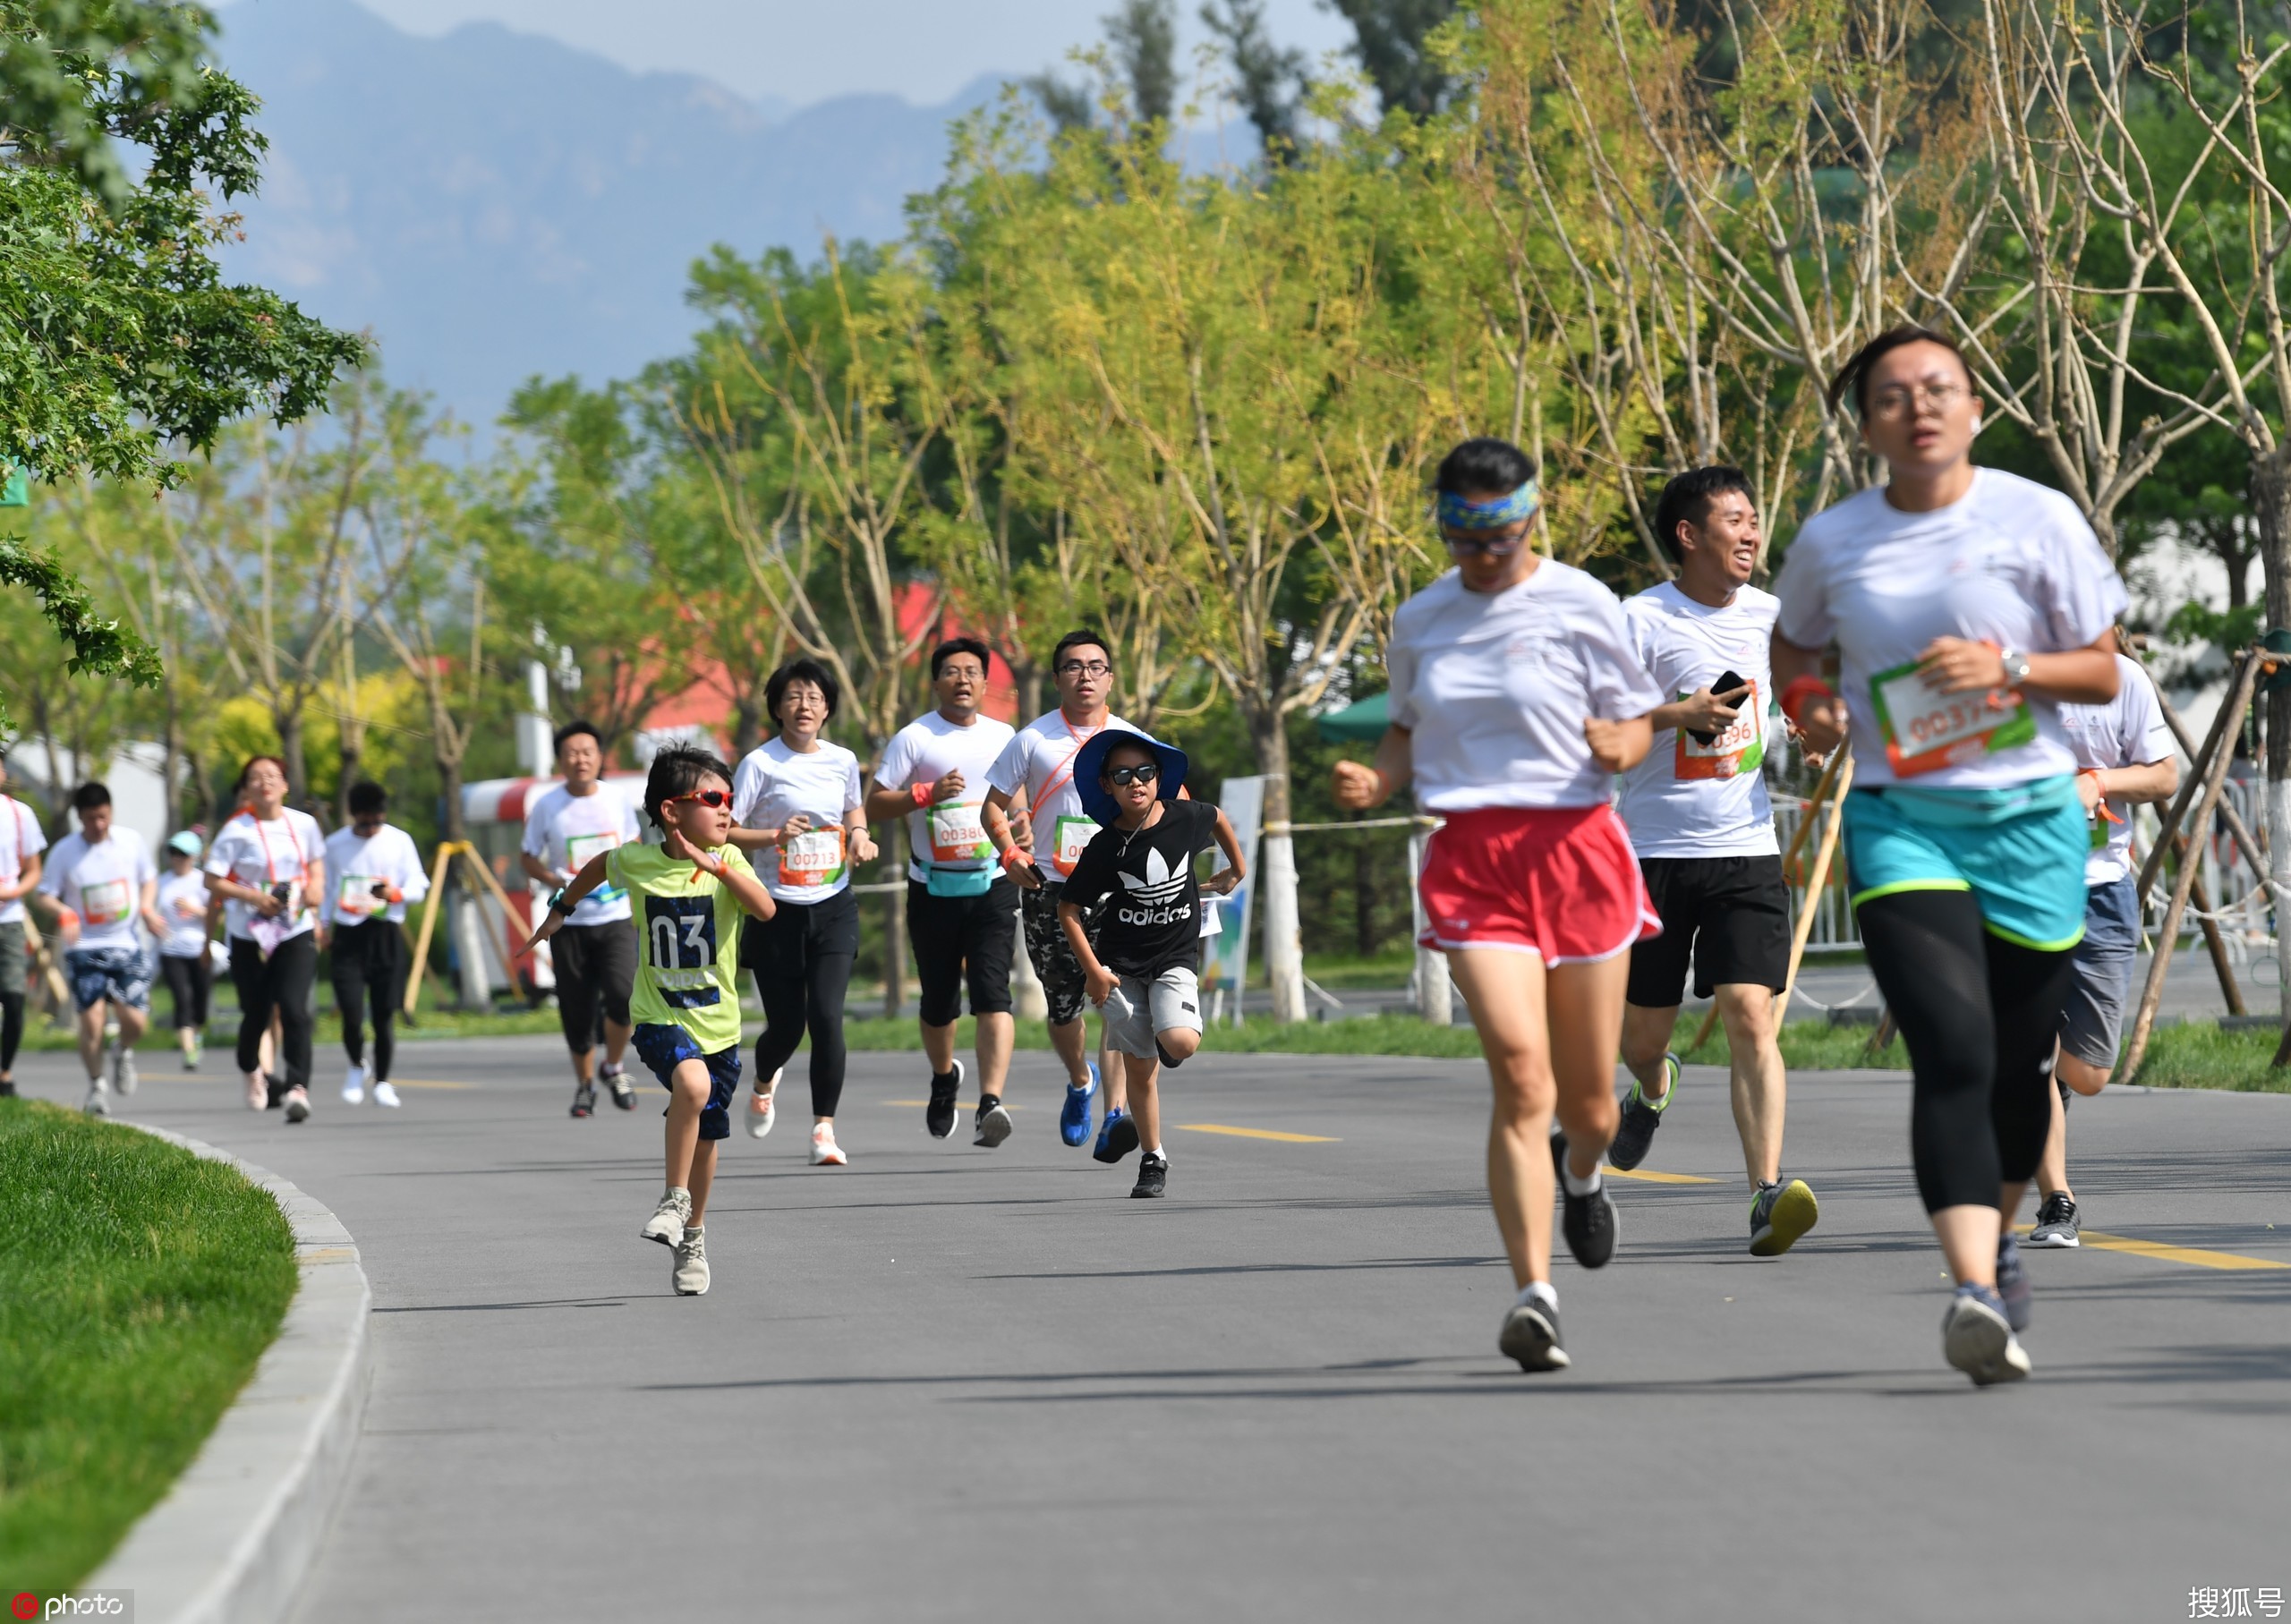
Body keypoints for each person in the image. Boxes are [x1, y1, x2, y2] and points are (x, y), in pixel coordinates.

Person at [1773, 324, 2127, 1386]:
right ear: (1868, 425)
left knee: (2019, 1076)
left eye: (1940, 388)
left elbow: (2103, 675)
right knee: (1953, 1055)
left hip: (2028, 823)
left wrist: (2006, 666)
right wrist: (1811, 705)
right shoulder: (1833, 541)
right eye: (1891, 395)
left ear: (1974, 407)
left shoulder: (2038, 517)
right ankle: (1973, 1290)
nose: (1918, 406)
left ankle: (2004, 1240)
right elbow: (1791, 650)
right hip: (1902, 819)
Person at [1333, 437, 1664, 1373]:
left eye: (1499, 533)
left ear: (1529, 517)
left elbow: (1635, 719)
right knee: (1522, 1073)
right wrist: (1377, 779)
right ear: (1441, 524)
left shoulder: (1581, 602)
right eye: (1461, 535)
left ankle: (1585, 1170)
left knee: (1590, 1103)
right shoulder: (1421, 617)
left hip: (1577, 848)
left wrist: (1622, 743)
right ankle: (1534, 1295)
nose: (1482, 556)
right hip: (1474, 855)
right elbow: (1404, 728)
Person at [1611, 466, 1818, 1256]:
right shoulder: (1640, 621)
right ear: (1690, 535)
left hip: (1746, 849)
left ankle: (1767, 1193)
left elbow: (1794, 703)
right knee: (1640, 1039)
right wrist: (1678, 713)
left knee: (1749, 1013)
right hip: (1654, 853)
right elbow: (1600, 724)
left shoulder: (1774, 616)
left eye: (1755, 516)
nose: (1751, 531)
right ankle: (1654, 1088)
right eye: (1733, 518)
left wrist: (1806, 725)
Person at [524, 744, 774, 1297]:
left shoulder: (728, 860)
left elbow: (765, 909)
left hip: (719, 1026)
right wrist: (561, 910)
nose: (726, 809)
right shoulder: (638, 860)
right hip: (658, 1015)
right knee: (691, 1081)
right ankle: (672, 1198)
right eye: (712, 798)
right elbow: (597, 868)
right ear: (671, 810)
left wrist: (716, 869)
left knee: (708, 1134)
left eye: (729, 799)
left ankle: (693, 1236)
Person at [2025, 652, 2179, 1248]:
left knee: (2087, 1074)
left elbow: (2165, 775)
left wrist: (2100, 781)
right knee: (2031, 1042)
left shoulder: (2124, 679)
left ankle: (2039, 1074)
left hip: (2103, 891)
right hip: (2020, 886)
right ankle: (2056, 1200)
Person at [1058, 733, 1246, 1199]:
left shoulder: (1185, 817)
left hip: (1174, 957)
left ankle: (1169, 1038)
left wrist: (1236, 868)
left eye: (1144, 772)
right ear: (1107, 785)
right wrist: (1095, 971)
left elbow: (1218, 817)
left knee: (1178, 1043)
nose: (1135, 782)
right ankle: (1152, 1157)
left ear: (1158, 778)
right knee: (1139, 1072)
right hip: (1121, 967)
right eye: (1122, 775)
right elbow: (1068, 909)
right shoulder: (1104, 846)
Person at [983, 630, 1146, 1161]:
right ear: (1057, 679)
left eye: (1096, 666)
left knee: (1117, 998)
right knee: (1063, 1007)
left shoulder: (1132, 740)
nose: (1085, 676)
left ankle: (1116, 1113)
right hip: (1052, 888)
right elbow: (992, 808)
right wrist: (1010, 856)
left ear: (1111, 678)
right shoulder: (1032, 739)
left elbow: (1170, 800)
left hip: (1118, 887)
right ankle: (1081, 1079)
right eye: (1073, 667)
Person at [864, 637, 1022, 1144]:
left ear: (985, 682)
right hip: (932, 886)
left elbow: (1020, 801)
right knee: (938, 1002)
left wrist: (1021, 826)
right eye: (951, 672)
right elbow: (873, 804)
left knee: (993, 993)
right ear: (936, 683)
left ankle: (991, 1102)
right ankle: (943, 1079)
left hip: (993, 883)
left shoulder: (1004, 735)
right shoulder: (915, 738)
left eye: (972, 671)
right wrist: (926, 794)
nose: (963, 680)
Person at [730, 659, 877, 1165]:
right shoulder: (760, 764)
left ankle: (823, 1131)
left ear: (828, 707)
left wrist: (859, 835)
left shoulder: (841, 760)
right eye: (793, 697)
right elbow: (726, 829)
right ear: (777, 707)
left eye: (814, 697)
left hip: (833, 904)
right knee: (787, 1027)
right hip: (776, 910)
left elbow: (853, 810)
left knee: (827, 1017)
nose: (804, 706)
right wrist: (773, 836)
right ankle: (765, 1079)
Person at [521, 721, 644, 1118]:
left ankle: (614, 1065)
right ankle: (586, 1085)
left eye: (588, 751)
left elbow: (634, 844)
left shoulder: (616, 799)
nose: (581, 759)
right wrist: (555, 879)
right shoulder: (546, 805)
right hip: (569, 922)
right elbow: (527, 855)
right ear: (560, 759)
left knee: (624, 996)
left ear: (600, 756)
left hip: (615, 917)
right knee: (577, 1009)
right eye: (572, 753)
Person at [205, 757, 328, 1122]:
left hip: (294, 928)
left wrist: (316, 890)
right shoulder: (235, 830)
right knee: (255, 1013)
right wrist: (255, 897)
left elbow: (317, 867)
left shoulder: (304, 824)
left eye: (272, 776)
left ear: (285, 785)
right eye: (256, 778)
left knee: (294, 1008)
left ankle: (297, 1088)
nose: (265, 783)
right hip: (250, 932)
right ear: (247, 788)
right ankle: (251, 1069)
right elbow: (211, 881)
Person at [36, 782, 168, 1116]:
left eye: (104, 817)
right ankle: (96, 1085)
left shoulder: (131, 842)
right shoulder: (65, 852)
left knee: (136, 1021)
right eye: (91, 818)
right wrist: (64, 912)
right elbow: (44, 894)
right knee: (92, 1024)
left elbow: (149, 878)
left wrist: (149, 908)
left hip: (126, 943)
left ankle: (122, 1049)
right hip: (84, 947)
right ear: (80, 817)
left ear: (111, 812)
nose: (98, 825)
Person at [319, 781, 431, 1110]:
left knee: (384, 1014)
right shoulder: (335, 844)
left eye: (376, 822)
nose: (370, 829)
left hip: (385, 932)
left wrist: (397, 894)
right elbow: (326, 891)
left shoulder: (399, 841)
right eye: (364, 822)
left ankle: (383, 1081)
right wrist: (323, 926)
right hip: (348, 935)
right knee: (351, 1012)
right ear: (353, 816)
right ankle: (357, 1065)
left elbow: (419, 883)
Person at [0, 747, 48, 1098]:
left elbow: (34, 869)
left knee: (14, 998)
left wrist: (14, 891)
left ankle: (4, 1071)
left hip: (10, 920)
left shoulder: (20, 815)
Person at [155, 830, 216, 1070]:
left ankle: (197, 1033)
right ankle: (188, 1051)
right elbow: (151, 910)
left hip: (200, 947)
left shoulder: (203, 881)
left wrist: (194, 909)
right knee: (182, 999)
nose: (177, 858)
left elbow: (215, 916)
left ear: (194, 857)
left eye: (182, 854)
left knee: (200, 1000)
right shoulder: (162, 882)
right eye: (173, 853)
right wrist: (154, 922)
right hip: (171, 948)